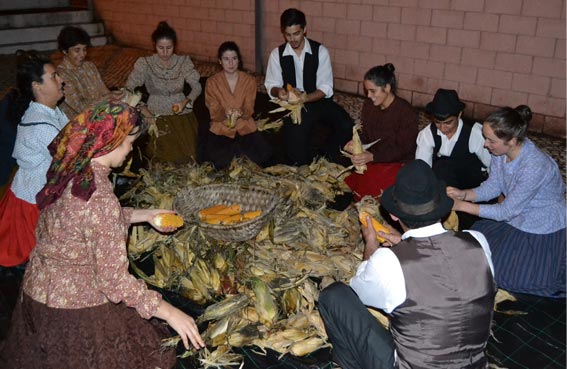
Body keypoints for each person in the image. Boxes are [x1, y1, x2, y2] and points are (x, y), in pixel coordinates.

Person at [0, 100, 205, 368]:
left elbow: (87, 222)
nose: (131, 150)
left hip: (36, 294)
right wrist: (169, 312)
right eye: (130, 142)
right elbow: (114, 281)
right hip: (72, 308)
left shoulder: (74, 168)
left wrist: (146, 215)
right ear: (111, 142)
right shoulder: (100, 200)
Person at [319, 159, 496, 369]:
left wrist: (371, 247)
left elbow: (359, 291)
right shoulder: (478, 241)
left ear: (393, 214)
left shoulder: (389, 262)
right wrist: (405, 244)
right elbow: (442, 269)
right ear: (441, 206)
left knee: (334, 295)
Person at [447, 105, 566, 298]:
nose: (485, 144)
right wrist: (464, 194)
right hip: (517, 216)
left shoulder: (535, 166)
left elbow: (505, 212)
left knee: (506, 275)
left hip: (540, 225)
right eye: (485, 138)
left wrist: (462, 206)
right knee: (476, 254)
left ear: (511, 140)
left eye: (491, 140)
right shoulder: (500, 154)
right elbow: (493, 186)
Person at [0, 54, 68, 267]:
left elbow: (74, 135)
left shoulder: (50, 111)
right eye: (54, 76)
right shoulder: (40, 126)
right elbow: (74, 157)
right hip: (33, 207)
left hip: (39, 195)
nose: (61, 80)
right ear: (37, 86)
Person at [264, 8, 353, 166]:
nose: (293, 39)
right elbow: (271, 85)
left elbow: (325, 88)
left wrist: (305, 97)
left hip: (317, 101)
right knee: (296, 137)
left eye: (296, 33)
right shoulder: (276, 54)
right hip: (292, 106)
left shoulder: (320, 51)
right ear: (283, 33)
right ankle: (303, 167)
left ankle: (327, 154)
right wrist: (280, 92)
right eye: (288, 35)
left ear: (305, 29)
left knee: (346, 125)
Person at [126, 21, 202, 163]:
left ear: (175, 46)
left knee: (189, 154)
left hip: (181, 114)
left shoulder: (183, 61)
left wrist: (186, 101)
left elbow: (197, 86)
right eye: (161, 48)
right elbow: (130, 88)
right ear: (154, 45)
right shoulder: (145, 63)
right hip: (155, 114)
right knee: (164, 155)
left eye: (169, 48)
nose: (165, 52)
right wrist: (144, 109)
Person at [343, 64, 419, 201]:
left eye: (373, 91)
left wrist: (373, 156)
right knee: (357, 176)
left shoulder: (406, 113)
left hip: (398, 161)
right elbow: (366, 133)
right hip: (375, 158)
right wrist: (356, 142)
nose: (369, 96)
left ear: (387, 88)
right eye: (367, 91)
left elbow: (403, 148)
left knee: (374, 184)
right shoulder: (369, 106)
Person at [204, 41, 272, 169]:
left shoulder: (249, 81)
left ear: (239, 60)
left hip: (244, 127)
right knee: (221, 164)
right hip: (221, 128)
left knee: (255, 161)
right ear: (220, 61)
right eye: (226, 59)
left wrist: (241, 112)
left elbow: (249, 107)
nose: (230, 63)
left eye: (234, 58)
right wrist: (225, 113)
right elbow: (213, 109)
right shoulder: (212, 82)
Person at [416, 88, 490, 189]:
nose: (442, 128)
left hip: (472, 186)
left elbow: (493, 166)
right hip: (442, 184)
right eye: (437, 122)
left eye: (448, 123)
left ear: (459, 115)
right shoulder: (427, 134)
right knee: (441, 168)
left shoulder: (475, 133)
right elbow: (422, 169)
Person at [56, 25, 125, 119]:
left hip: (101, 115)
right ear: (64, 51)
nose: (82, 54)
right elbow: (80, 108)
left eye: (84, 49)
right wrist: (107, 97)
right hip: (79, 123)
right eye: (77, 50)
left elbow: (103, 90)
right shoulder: (61, 75)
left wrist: (117, 95)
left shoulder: (89, 66)